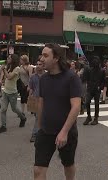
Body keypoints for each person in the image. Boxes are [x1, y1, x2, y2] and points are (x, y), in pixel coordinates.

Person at [34, 44, 81, 180]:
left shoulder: (71, 78)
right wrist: (39, 126)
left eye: (46, 55)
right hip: (45, 132)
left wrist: (64, 132)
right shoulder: (44, 79)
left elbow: (76, 106)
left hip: (66, 133)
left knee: (68, 165)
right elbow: (41, 102)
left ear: (56, 58)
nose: (41, 58)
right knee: (38, 170)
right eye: (41, 55)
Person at [0, 54, 27, 133]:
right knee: (3, 109)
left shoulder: (17, 68)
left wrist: (4, 70)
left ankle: (23, 118)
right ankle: (3, 126)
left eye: (9, 58)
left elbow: (9, 77)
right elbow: (4, 76)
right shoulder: (8, 66)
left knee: (14, 109)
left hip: (12, 92)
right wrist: (1, 77)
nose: (7, 58)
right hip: (5, 91)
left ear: (13, 59)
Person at [82, 56, 105, 125]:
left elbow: (103, 81)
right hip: (90, 88)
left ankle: (96, 118)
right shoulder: (90, 70)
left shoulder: (101, 71)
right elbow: (86, 78)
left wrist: (100, 87)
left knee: (96, 104)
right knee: (87, 102)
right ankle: (89, 116)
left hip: (97, 89)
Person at [28, 58, 44, 142]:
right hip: (35, 99)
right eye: (37, 64)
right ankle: (41, 130)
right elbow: (31, 88)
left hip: (44, 100)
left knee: (38, 117)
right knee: (38, 116)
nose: (38, 66)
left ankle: (34, 134)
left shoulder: (47, 76)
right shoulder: (33, 77)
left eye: (40, 64)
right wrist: (29, 97)